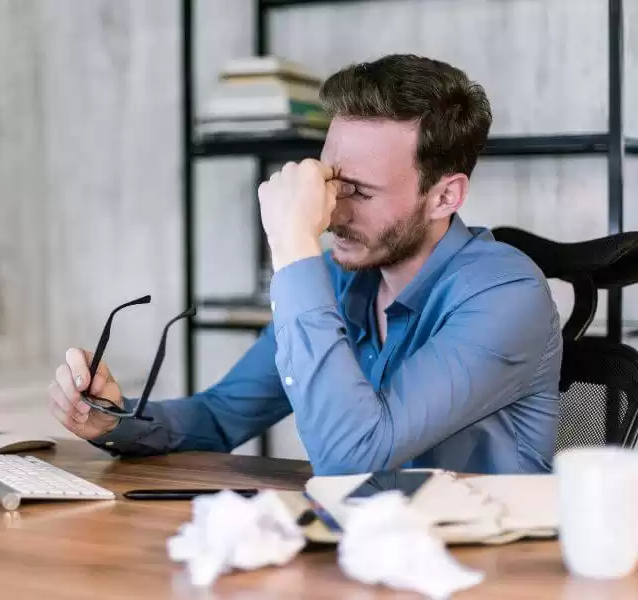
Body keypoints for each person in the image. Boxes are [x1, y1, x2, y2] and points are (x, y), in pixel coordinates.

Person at [48, 53, 562, 475]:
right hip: (367, 556)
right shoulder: (339, 277)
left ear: (445, 196)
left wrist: (291, 242)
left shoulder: (507, 295)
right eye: (329, 181)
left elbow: (351, 457)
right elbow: (222, 415)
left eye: (358, 191)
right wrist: (111, 420)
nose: (331, 210)